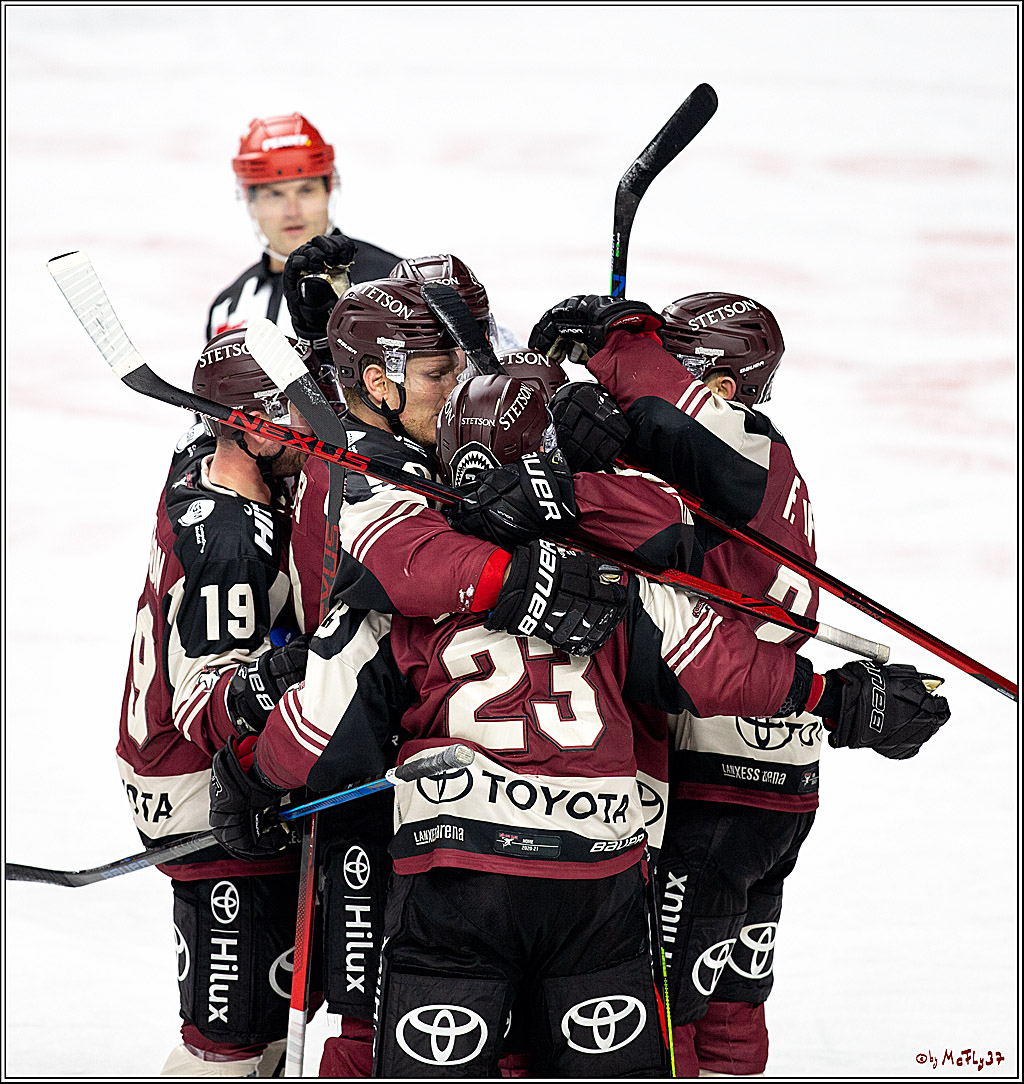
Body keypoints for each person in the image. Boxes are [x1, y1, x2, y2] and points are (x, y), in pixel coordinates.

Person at [208, 363, 946, 1077]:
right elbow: (721, 666)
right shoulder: (614, 574)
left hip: (458, 878)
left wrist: (249, 775)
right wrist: (840, 700)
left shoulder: (400, 582)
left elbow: (312, 742)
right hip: (598, 881)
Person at [527, 291, 952, 1075]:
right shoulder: (730, 473)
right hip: (777, 783)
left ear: (721, 387)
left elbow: (660, 410)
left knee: (663, 1017)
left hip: (717, 780)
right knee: (731, 1008)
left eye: (683, 364)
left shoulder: (745, 447)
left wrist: (614, 343)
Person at [114, 329, 312, 1077]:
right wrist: (295, 669)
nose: (313, 427)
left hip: (175, 766)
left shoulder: (203, 464)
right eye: (294, 413)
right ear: (252, 428)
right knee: (230, 1046)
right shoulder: (230, 536)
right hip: (202, 788)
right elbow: (206, 701)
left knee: (260, 1027)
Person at [205, 113, 401, 341]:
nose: (292, 210)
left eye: (306, 191)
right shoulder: (228, 308)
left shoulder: (391, 284)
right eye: (274, 194)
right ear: (250, 202)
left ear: (328, 191)